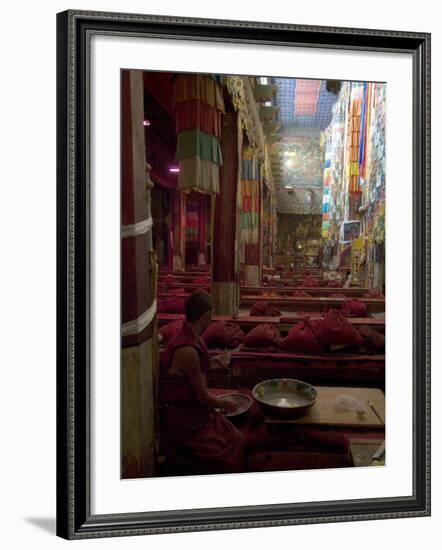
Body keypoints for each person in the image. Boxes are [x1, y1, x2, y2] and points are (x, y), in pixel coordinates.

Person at [158, 291, 246, 475]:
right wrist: (226, 403)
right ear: (206, 316)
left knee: (236, 437)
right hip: (185, 421)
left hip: (195, 410)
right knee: (228, 456)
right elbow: (203, 397)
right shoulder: (186, 349)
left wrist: (215, 362)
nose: (212, 320)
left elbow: (193, 371)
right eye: (211, 316)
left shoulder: (192, 336)